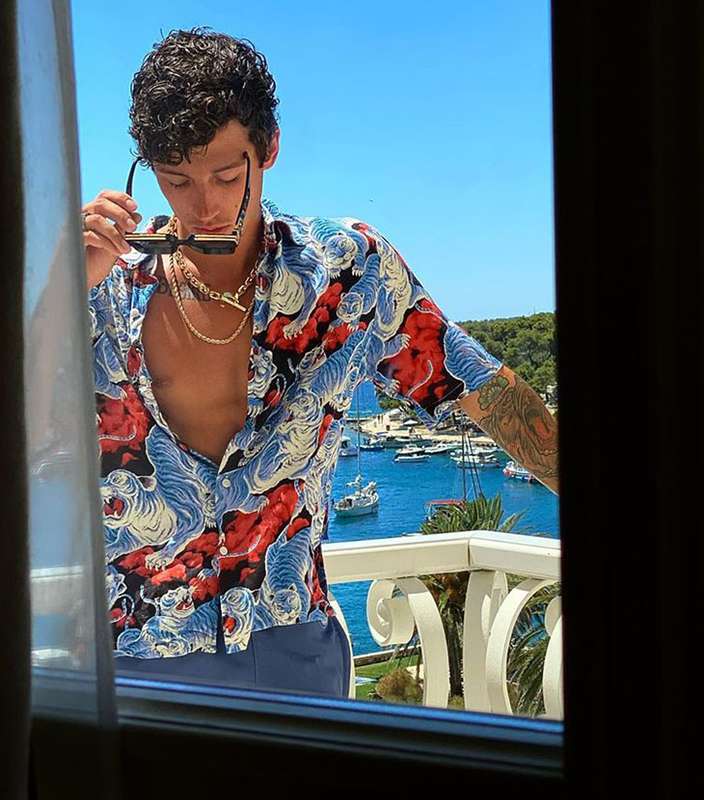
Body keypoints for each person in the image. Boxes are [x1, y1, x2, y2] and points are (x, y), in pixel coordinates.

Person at [84, 27, 558, 699]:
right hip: (130, 660)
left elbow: (485, 391)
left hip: (293, 655)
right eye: (176, 179)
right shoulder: (97, 284)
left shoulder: (347, 272)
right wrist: (53, 294)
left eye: (226, 175)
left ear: (270, 149)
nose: (203, 205)